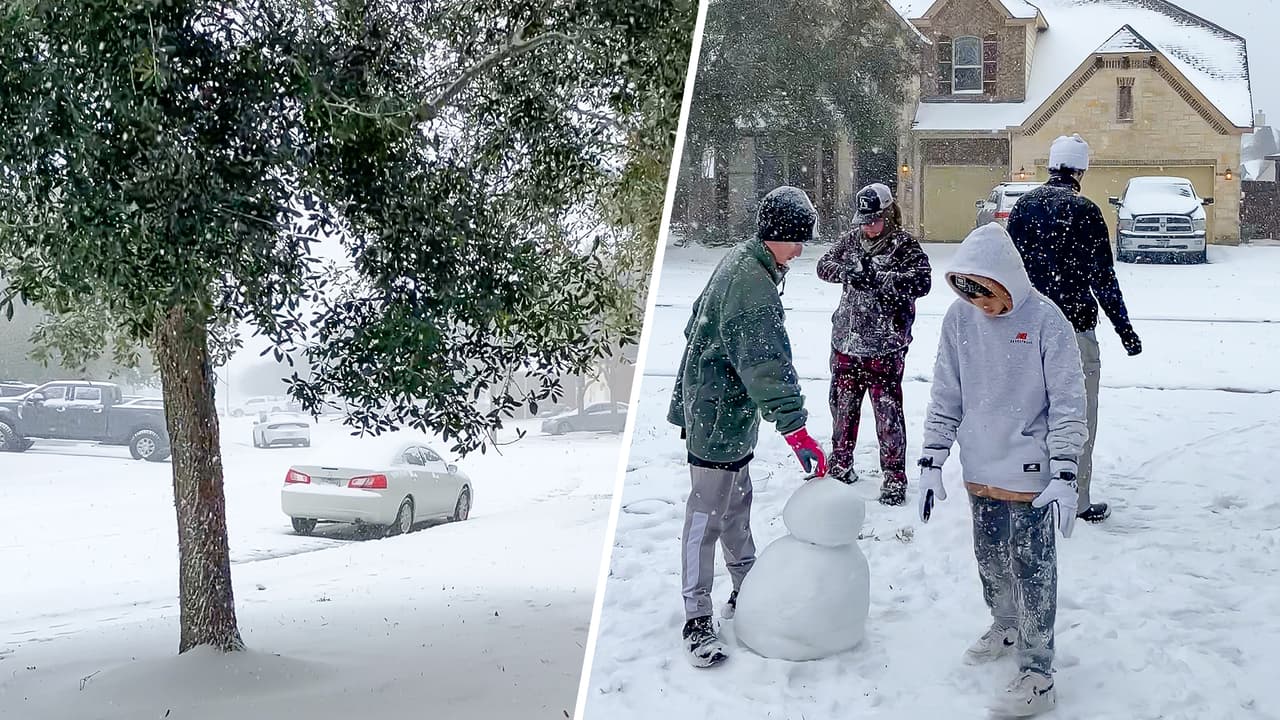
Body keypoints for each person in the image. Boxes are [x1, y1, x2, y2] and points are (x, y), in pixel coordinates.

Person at [917, 222, 1087, 716]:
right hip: (980, 466)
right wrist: (932, 458)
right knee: (990, 559)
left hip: (1031, 471)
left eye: (988, 294)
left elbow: (1068, 401)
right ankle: (1006, 625)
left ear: (1007, 280)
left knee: (1033, 569)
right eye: (970, 294)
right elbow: (946, 392)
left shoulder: (1046, 320)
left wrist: (1065, 471)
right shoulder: (959, 319)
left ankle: (1038, 672)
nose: (981, 305)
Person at [668, 185, 828, 668]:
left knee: (736, 505)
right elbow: (766, 366)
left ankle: (747, 588)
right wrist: (796, 430)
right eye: (796, 240)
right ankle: (697, 616)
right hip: (718, 416)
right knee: (706, 516)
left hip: (725, 413)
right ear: (775, 234)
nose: (799, 250)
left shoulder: (745, 261)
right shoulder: (751, 285)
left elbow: (697, 324)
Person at [1006, 133, 1142, 524]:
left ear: (1052, 166)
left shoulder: (1023, 208)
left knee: (1030, 412)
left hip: (1026, 327)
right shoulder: (1085, 211)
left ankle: (1026, 487)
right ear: (1080, 170)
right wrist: (1124, 329)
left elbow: (1008, 270)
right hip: (1074, 328)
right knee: (1077, 414)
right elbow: (1103, 279)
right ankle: (1076, 498)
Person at [816, 183, 931, 505]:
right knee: (843, 410)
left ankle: (894, 478)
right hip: (847, 343)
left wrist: (881, 277)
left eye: (874, 221)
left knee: (888, 415)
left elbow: (922, 282)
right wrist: (849, 273)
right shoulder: (850, 241)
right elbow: (823, 265)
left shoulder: (904, 246)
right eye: (863, 221)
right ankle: (840, 464)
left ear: (888, 215)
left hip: (884, 346)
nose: (867, 227)